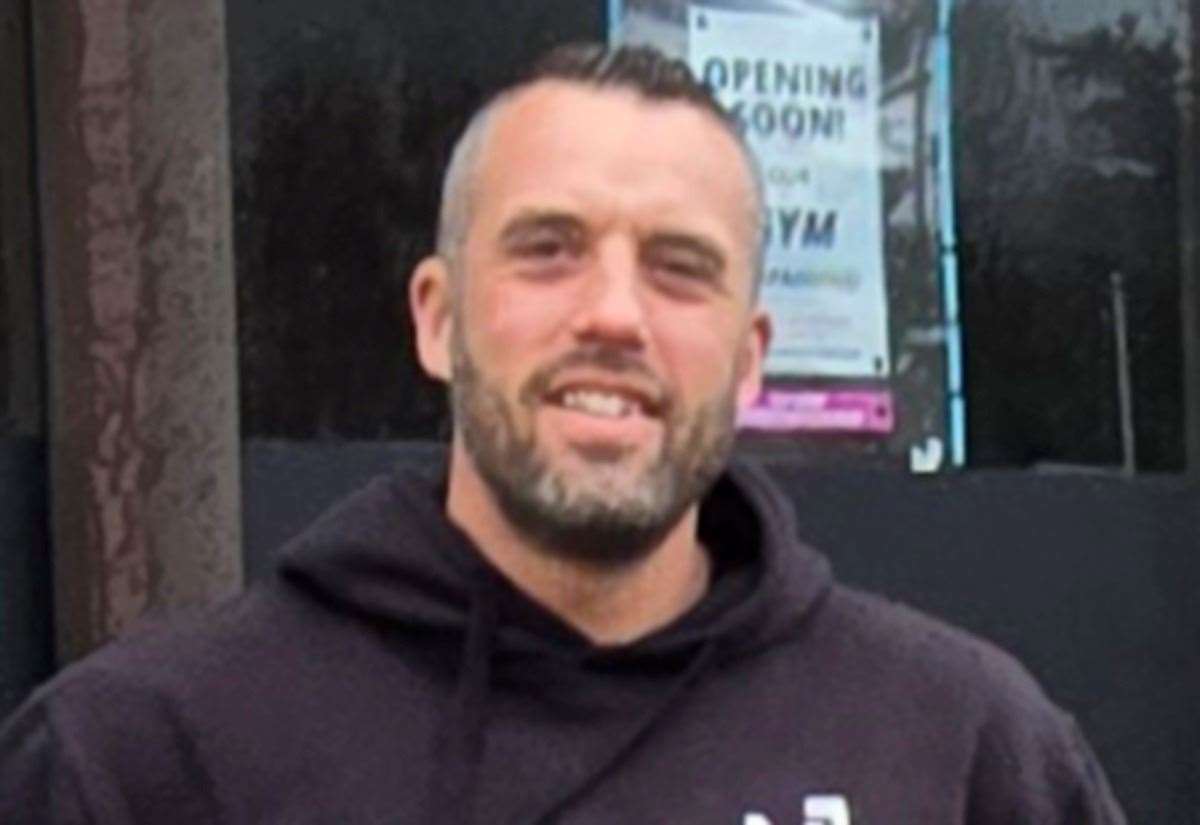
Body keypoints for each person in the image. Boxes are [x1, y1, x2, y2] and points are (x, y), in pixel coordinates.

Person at [0, 43, 1125, 824]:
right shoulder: (147, 757)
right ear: (437, 319)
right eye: (548, 250)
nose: (614, 315)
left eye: (679, 268)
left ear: (748, 361)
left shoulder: (965, 751)